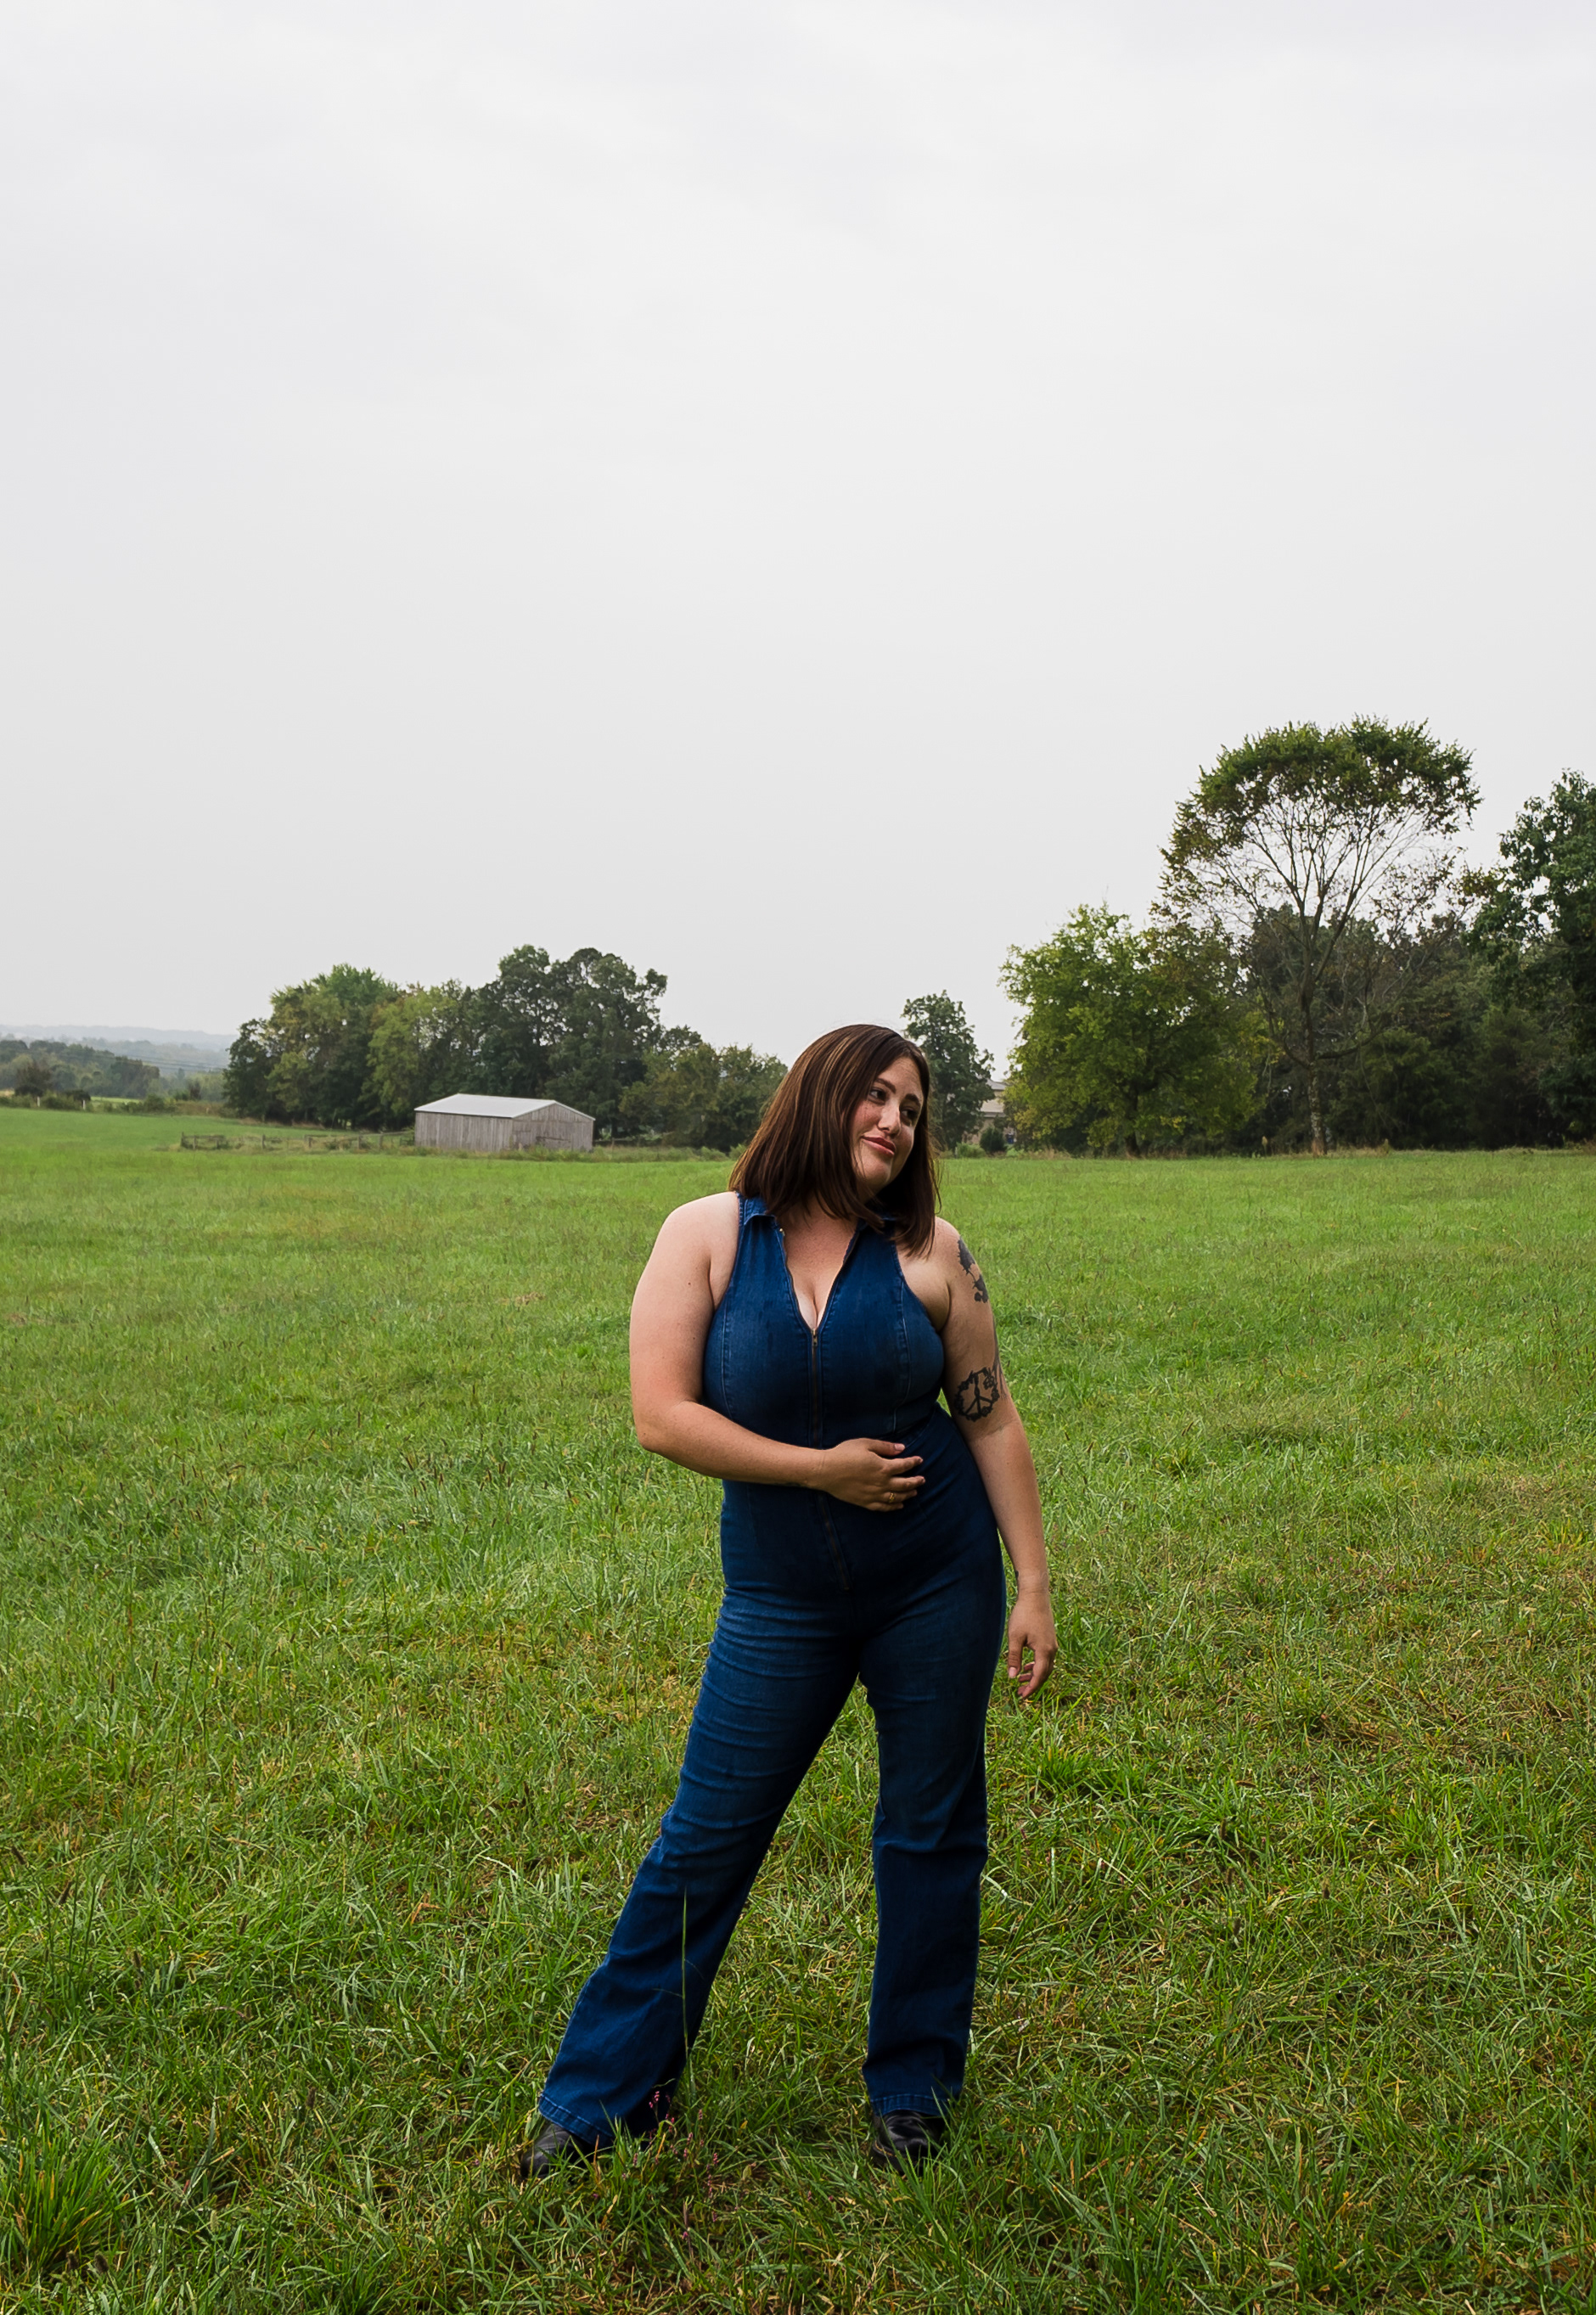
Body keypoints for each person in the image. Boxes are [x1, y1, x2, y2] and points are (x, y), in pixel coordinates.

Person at [523, 1023, 1056, 2177]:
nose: (894, 1121)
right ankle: (605, 2097)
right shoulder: (710, 1234)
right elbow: (662, 1416)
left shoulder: (932, 1252)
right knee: (705, 1839)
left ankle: (914, 2092)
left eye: (911, 1107)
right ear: (819, 1097)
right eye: (875, 1096)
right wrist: (822, 1471)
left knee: (930, 1831)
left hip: (937, 1579)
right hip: (780, 1598)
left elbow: (989, 1416)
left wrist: (1034, 1584)